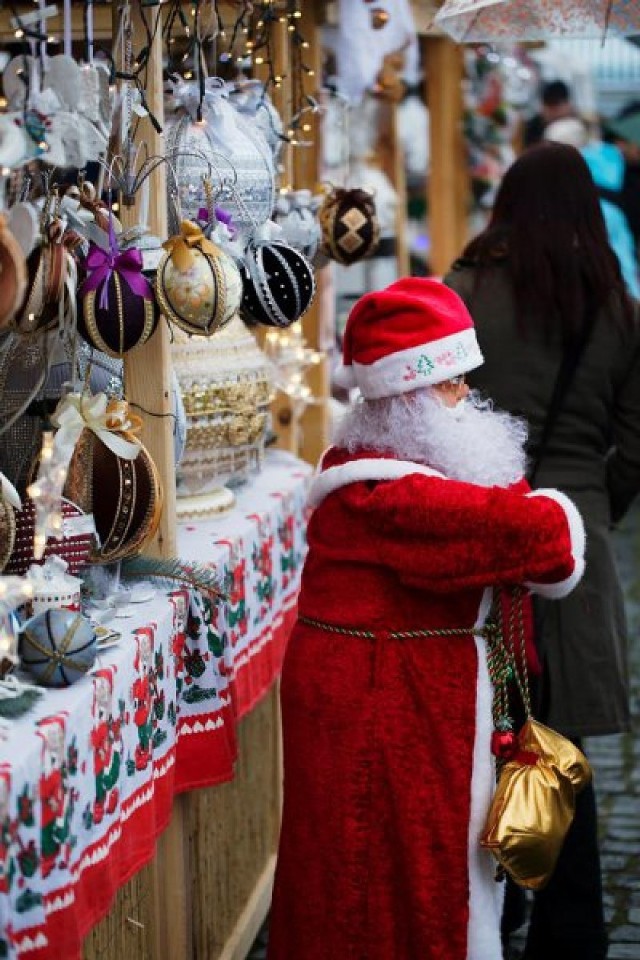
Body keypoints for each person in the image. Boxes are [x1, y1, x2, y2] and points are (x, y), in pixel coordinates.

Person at [267, 277, 586, 960]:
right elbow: (546, 541)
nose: (467, 396)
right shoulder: (391, 495)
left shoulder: (388, 470)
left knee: (372, 879)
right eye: (451, 384)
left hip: (390, 696)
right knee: (385, 885)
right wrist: (550, 509)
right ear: (409, 399)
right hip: (384, 709)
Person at [444, 142, 640, 960]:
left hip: (484, 531)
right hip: (573, 544)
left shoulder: (466, 290)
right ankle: (573, 932)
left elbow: (440, 413)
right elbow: (634, 444)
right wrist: (591, 510)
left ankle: (493, 917)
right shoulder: (618, 306)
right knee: (560, 748)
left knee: (489, 733)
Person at [543, 118, 640, 298]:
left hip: (593, 217)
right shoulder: (608, 155)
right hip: (614, 217)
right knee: (623, 262)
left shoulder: (566, 170)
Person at [523, 80, 574, 148]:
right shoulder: (533, 129)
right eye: (550, 107)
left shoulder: (576, 125)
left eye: (556, 106)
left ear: (568, 105)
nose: (553, 112)